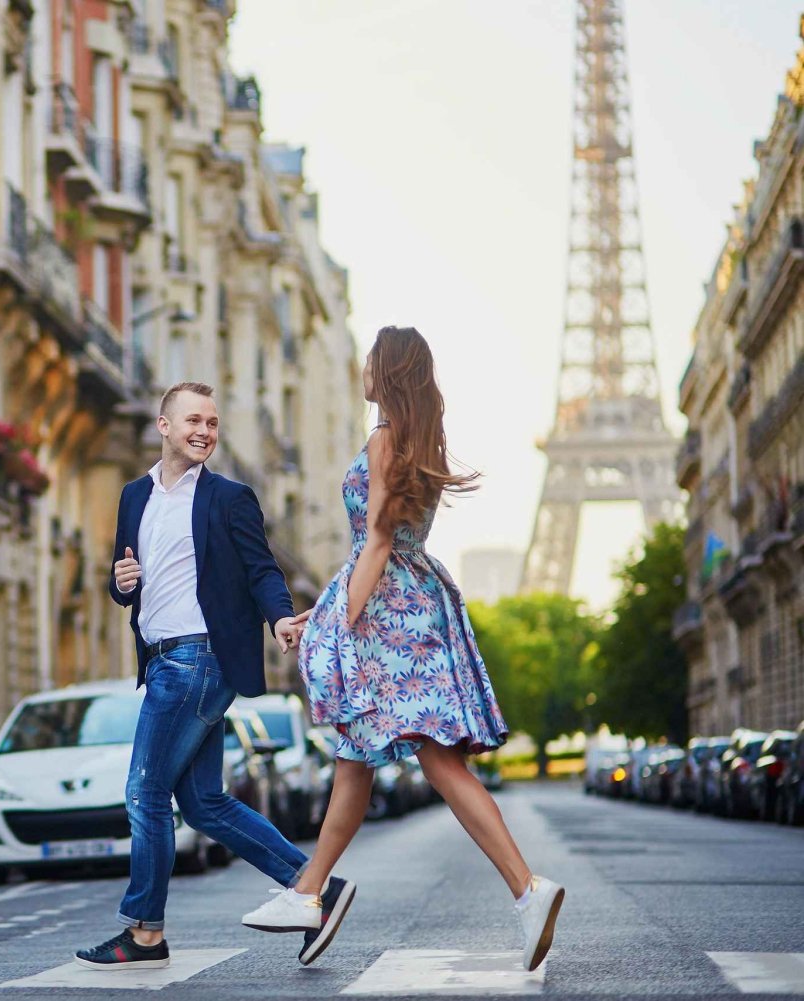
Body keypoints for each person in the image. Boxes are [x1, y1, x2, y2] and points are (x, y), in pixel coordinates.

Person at [270, 326, 564, 973]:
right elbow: (381, 548)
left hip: (387, 615)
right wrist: (316, 611)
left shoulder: (382, 439)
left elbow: (374, 541)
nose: (362, 368)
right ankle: (309, 890)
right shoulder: (416, 441)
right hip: (415, 600)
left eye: (371, 359)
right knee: (364, 757)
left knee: (431, 757)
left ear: (389, 370)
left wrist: (339, 625)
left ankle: (526, 887)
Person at [75, 381, 356, 973]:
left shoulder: (230, 497)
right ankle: (315, 888)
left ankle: (145, 931)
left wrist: (280, 616)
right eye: (193, 421)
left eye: (213, 423)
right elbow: (125, 578)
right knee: (201, 803)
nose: (204, 431)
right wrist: (121, 584)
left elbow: (261, 568)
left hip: (197, 660)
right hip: (160, 659)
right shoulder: (134, 496)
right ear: (164, 426)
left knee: (145, 793)